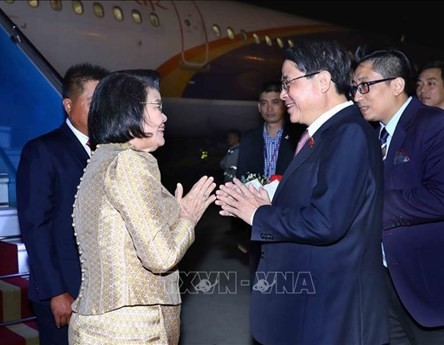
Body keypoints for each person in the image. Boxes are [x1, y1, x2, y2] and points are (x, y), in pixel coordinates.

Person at [216, 39, 388, 345]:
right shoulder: (325, 135)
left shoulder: (347, 134)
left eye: (288, 83)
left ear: (322, 81)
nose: (282, 95)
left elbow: (326, 222)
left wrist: (260, 214)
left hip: (332, 314)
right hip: (314, 305)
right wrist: (270, 201)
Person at [68, 69, 216, 345]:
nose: (164, 117)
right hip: (132, 329)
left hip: (96, 323)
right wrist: (187, 217)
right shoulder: (131, 163)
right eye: (157, 107)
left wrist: (173, 213)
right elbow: (160, 257)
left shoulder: (102, 158)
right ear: (130, 111)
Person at [352, 48, 444, 344]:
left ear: (396, 86)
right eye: (354, 88)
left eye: (364, 86)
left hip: (431, 291)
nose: (357, 96)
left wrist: (367, 205)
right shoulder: (376, 135)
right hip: (388, 286)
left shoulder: (437, 126)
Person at [16, 63, 109, 345]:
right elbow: (35, 226)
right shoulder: (43, 150)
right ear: (68, 104)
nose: (99, 110)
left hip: (101, 288)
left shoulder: (108, 151)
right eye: (93, 102)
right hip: (64, 289)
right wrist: (56, 291)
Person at [233, 81, 302, 258]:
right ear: (258, 107)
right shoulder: (249, 139)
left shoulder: (298, 138)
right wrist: (241, 233)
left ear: (284, 105)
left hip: (287, 218)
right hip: (255, 217)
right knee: (259, 276)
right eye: (264, 103)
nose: (269, 108)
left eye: (275, 102)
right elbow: (240, 179)